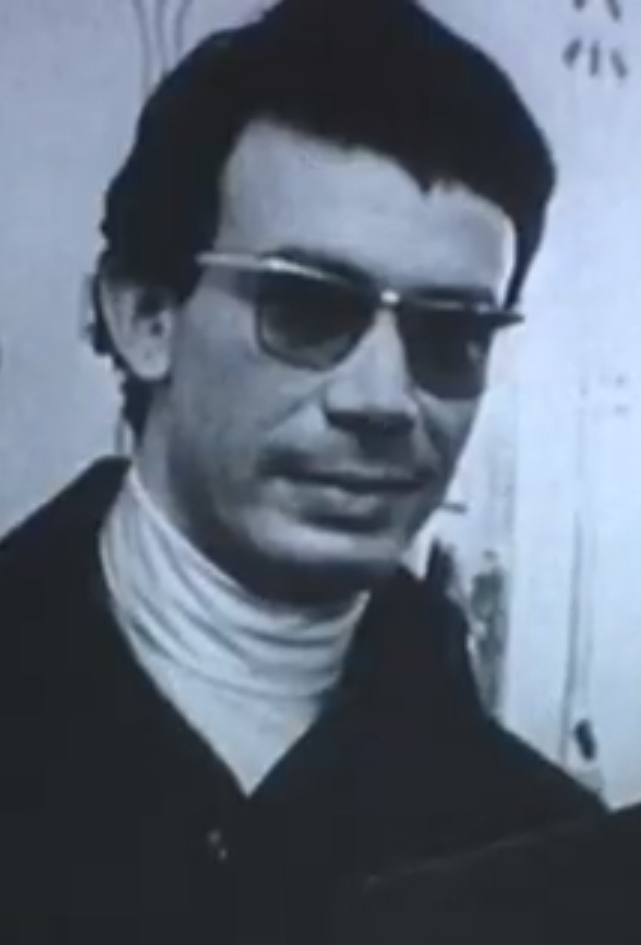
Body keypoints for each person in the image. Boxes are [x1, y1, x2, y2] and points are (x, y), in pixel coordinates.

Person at [0, 0, 603, 941]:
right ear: (147, 317)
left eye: (450, 333)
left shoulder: (545, 852)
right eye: (307, 307)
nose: (383, 398)